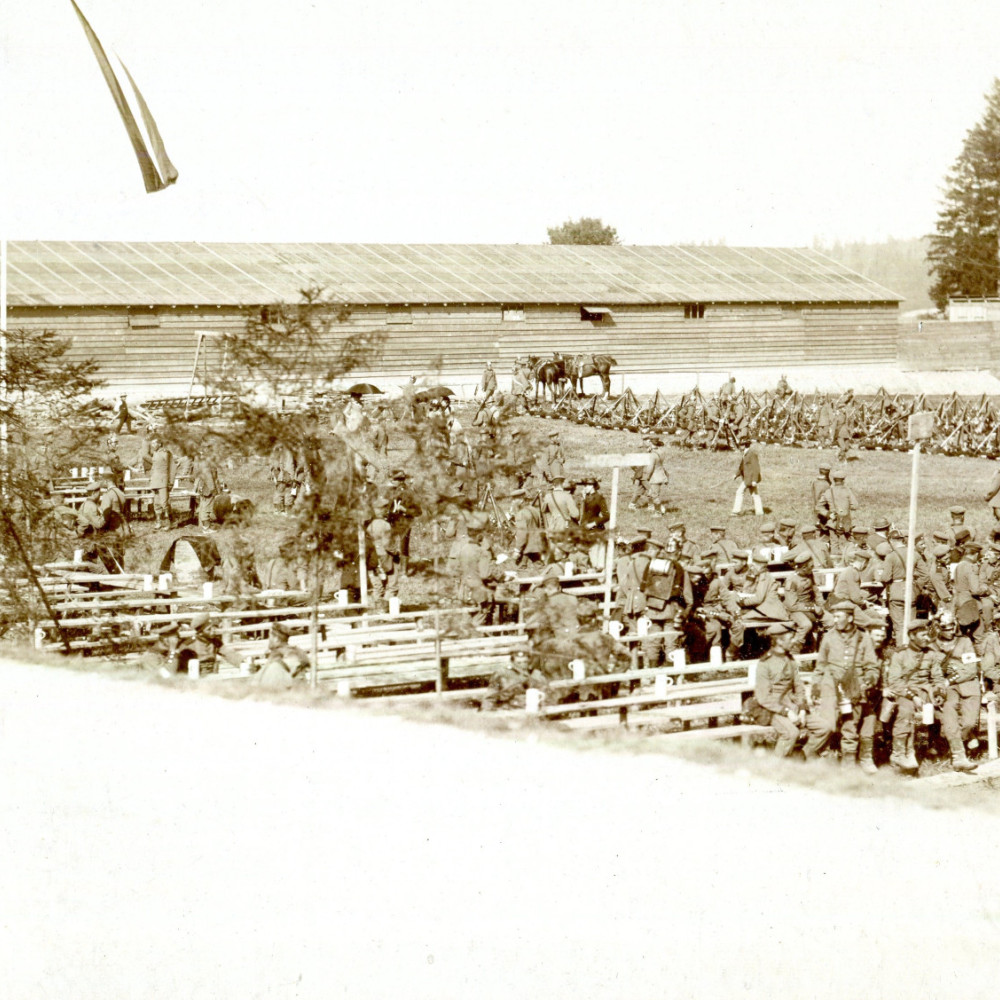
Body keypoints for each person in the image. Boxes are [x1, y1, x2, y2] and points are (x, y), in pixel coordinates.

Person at [802, 601, 880, 770]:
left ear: (850, 618)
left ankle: (848, 766)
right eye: (834, 616)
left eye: (838, 616)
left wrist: (870, 678)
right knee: (828, 724)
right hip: (830, 684)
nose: (835, 620)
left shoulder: (863, 638)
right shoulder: (829, 636)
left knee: (850, 727)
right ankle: (813, 754)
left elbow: (872, 665)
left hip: (854, 685)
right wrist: (816, 685)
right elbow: (821, 664)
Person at [744, 622, 807, 756]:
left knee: (823, 728)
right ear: (779, 641)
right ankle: (775, 767)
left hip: (793, 706)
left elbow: (799, 686)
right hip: (773, 710)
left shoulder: (790, 659)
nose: (794, 641)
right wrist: (786, 711)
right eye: (791, 638)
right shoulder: (765, 663)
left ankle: (803, 761)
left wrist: (802, 708)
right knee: (791, 733)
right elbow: (763, 698)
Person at [881, 620, 934, 772]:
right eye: (923, 635)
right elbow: (895, 682)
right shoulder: (900, 654)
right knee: (905, 711)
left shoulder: (930, 653)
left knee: (943, 710)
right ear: (912, 635)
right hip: (904, 692)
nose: (927, 638)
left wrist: (938, 693)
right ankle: (899, 753)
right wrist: (913, 696)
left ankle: (936, 749)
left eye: (927, 634)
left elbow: (936, 677)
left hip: (925, 692)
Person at [930, 611, 980, 772]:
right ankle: (959, 755)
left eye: (952, 627)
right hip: (948, 688)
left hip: (968, 684)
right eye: (946, 628)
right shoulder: (932, 646)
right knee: (949, 712)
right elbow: (934, 670)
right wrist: (943, 683)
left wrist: (950, 678)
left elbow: (971, 668)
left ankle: (961, 737)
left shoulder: (965, 642)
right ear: (938, 628)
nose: (951, 631)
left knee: (969, 723)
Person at [731, 438, 763, 517]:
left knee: (739, 492)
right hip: (748, 479)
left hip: (750, 479)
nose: (739, 446)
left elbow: (756, 468)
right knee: (755, 494)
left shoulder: (752, 454)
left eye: (741, 445)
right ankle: (760, 512)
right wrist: (736, 475)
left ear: (746, 445)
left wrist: (754, 480)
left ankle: (736, 511)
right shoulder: (745, 453)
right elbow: (742, 466)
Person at [149, 437, 173, 530]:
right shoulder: (155, 453)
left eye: (154, 443)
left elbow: (171, 468)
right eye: (152, 443)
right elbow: (154, 467)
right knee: (157, 503)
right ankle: (158, 522)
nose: (152, 445)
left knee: (164, 502)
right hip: (155, 481)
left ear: (160, 443)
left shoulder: (165, 453)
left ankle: (169, 523)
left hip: (163, 481)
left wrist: (170, 482)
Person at [193, 453, 220, 531]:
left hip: (204, 487)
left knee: (203, 507)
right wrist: (213, 489)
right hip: (207, 489)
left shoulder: (204, 460)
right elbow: (208, 477)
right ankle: (206, 528)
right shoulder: (206, 462)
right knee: (206, 508)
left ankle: (205, 526)